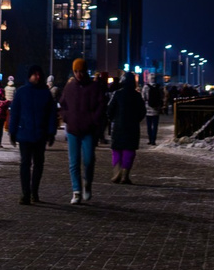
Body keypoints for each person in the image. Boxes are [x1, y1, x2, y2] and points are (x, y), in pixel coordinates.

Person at [58, 58, 106, 205]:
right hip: (73, 129)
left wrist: (93, 120)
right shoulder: (69, 87)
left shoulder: (94, 87)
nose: (79, 74)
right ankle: (76, 190)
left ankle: (87, 183)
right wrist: (67, 117)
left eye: (81, 71)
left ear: (85, 71)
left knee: (89, 160)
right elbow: (62, 104)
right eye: (76, 71)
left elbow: (101, 106)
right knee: (74, 161)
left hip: (88, 130)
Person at [8, 65, 56, 204]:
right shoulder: (22, 92)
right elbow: (15, 113)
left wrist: (51, 132)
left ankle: (34, 191)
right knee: (25, 163)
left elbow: (51, 114)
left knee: (38, 164)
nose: (37, 77)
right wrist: (12, 131)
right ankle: (26, 193)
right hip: (25, 133)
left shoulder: (45, 93)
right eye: (34, 74)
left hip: (40, 134)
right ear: (29, 76)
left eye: (38, 74)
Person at [106, 72, 146, 184]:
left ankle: (117, 171)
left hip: (118, 126)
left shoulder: (117, 94)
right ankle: (125, 174)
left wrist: (112, 119)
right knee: (129, 150)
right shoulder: (137, 96)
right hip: (132, 127)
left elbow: (109, 109)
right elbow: (142, 112)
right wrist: (135, 120)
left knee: (117, 150)